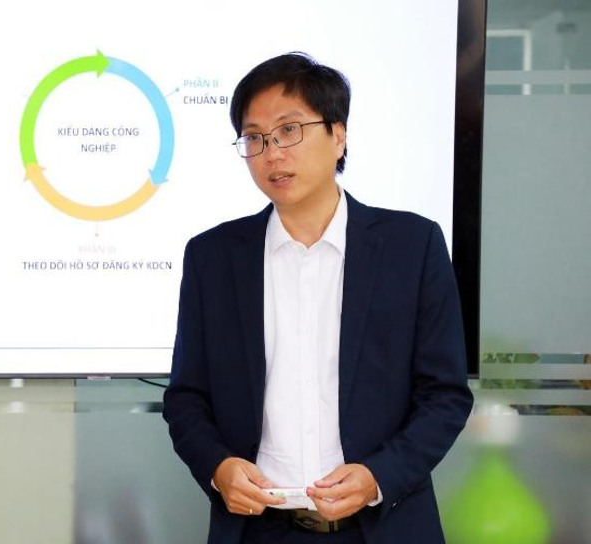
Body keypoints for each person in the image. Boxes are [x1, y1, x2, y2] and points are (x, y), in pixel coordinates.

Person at [163, 52, 473, 544]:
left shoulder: (412, 246)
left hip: (381, 528)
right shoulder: (212, 257)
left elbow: (444, 394)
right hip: (258, 531)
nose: (272, 153)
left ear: (339, 135)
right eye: (255, 138)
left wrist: (379, 475)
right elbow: (186, 398)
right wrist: (218, 468)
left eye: (289, 130)